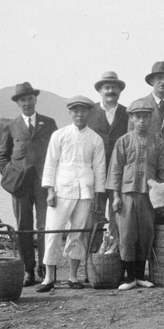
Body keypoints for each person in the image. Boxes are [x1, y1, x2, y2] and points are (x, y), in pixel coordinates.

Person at [36, 96, 106, 292]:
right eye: (76, 110)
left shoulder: (95, 139)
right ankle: (48, 278)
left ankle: (73, 276)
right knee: (53, 231)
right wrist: (50, 190)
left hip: (85, 192)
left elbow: (100, 170)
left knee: (78, 234)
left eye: (83, 110)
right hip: (61, 190)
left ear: (88, 113)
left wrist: (97, 197)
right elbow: (50, 163)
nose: (79, 114)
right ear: (70, 112)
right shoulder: (59, 135)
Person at [106, 99, 164, 291]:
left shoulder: (158, 143)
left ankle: (140, 275)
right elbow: (115, 171)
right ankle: (129, 278)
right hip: (127, 196)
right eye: (138, 117)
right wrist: (116, 197)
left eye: (145, 117)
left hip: (148, 198)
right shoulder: (123, 141)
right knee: (127, 234)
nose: (142, 121)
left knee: (145, 234)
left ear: (151, 118)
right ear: (132, 118)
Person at [0, 82, 58, 287]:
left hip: (44, 184)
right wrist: (10, 176)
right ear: (18, 103)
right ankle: (28, 271)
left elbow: (58, 152)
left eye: (30, 99)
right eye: (22, 100)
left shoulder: (49, 124)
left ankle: (45, 268)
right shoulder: (12, 126)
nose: (27, 103)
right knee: (24, 227)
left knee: (44, 226)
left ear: (35, 100)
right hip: (20, 186)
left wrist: (53, 182)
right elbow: (2, 157)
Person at [87, 71, 129, 249]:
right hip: (95, 173)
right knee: (95, 215)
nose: (111, 90)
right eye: (107, 87)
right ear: (100, 91)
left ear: (120, 91)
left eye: (115, 87)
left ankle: (113, 257)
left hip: (118, 174)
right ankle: (94, 257)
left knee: (117, 215)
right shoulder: (89, 112)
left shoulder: (127, 113)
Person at [130, 61, 164, 175]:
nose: (163, 81)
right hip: (145, 166)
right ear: (152, 81)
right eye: (159, 78)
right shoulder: (138, 105)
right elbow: (131, 141)